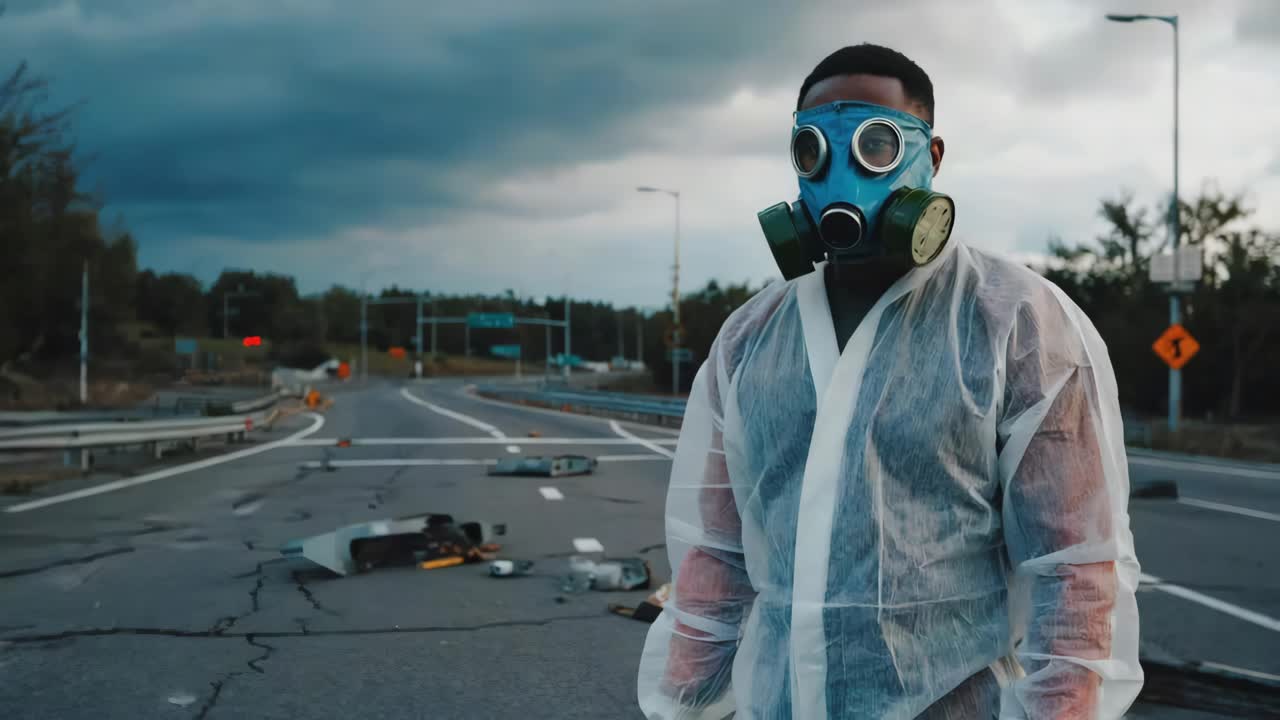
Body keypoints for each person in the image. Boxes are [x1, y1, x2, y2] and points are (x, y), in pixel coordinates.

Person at [637, 44, 1143, 719]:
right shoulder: (750, 339)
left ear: (930, 157)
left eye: (876, 145)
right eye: (814, 152)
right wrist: (685, 704)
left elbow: (1075, 569)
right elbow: (716, 562)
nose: (841, 175)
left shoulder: (1017, 322)